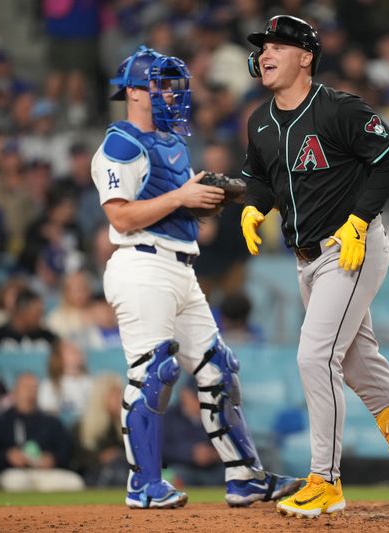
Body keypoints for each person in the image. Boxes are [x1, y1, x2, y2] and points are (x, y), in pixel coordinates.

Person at [240, 16, 389, 520]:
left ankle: (326, 480)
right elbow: (261, 178)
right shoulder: (260, 121)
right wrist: (255, 206)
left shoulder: (338, 109)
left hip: (349, 248)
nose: (266, 53)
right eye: (263, 46)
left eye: (278, 45)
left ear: (305, 57)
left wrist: (358, 222)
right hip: (307, 261)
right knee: (359, 364)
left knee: (315, 357)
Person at [91, 45, 300, 510]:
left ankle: (245, 476)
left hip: (182, 267)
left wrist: (211, 198)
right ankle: (143, 484)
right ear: (132, 92)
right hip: (141, 264)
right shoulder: (120, 143)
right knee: (153, 374)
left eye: (172, 84)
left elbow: (175, 206)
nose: (170, 93)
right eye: (160, 84)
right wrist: (183, 195)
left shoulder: (171, 144)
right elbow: (122, 217)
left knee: (219, 370)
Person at [0, 373, 85, 492]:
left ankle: (53, 510)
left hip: (45, 473)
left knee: (74, 482)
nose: (30, 392)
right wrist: (7, 455)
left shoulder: (51, 421)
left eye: (34, 388)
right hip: (16, 472)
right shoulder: (2, 421)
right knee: (15, 482)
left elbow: (66, 451)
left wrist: (53, 459)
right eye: (25, 388)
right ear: (14, 392)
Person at [163, 379, 224, 487]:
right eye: (197, 397)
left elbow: (229, 444)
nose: (201, 402)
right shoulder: (168, 417)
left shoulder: (217, 417)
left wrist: (213, 454)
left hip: (213, 470)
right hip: (181, 468)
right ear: (184, 394)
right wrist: (190, 453)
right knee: (173, 475)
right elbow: (161, 449)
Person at [70, 373, 127, 487]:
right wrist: (100, 457)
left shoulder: (127, 426)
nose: (119, 398)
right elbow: (76, 460)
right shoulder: (82, 427)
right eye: (114, 394)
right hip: (94, 476)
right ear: (100, 397)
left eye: (120, 393)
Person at [37, 339, 94, 425]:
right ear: (59, 357)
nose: (77, 354)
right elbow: (48, 413)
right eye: (72, 351)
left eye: (78, 351)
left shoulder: (90, 382)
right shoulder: (48, 385)